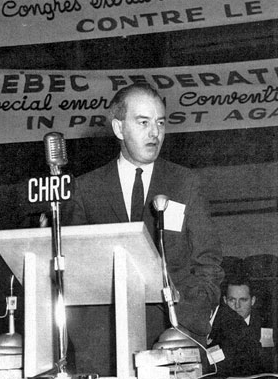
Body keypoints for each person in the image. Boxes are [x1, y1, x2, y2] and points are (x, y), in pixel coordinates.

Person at [64, 83, 224, 344]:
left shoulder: (186, 182)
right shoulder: (85, 189)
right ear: (118, 127)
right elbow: (76, 268)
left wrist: (194, 310)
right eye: (143, 122)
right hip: (104, 339)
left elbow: (208, 258)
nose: (155, 133)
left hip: (176, 332)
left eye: (160, 123)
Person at [208, 273, 268, 377]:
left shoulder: (266, 323)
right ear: (225, 301)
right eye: (232, 300)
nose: (237, 306)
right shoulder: (215, 326)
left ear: (252, 301)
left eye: (243, 300)